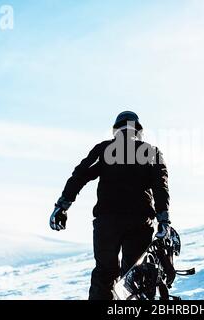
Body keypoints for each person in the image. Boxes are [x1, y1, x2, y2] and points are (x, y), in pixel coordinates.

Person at [49, 111, 171, 300]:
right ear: (138, 131)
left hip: (107, 223)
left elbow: (80, 175)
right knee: (136, 278)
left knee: (104, 274)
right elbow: (160, 187)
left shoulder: (104, 149)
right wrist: (163, 219)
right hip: (140, 222)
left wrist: (62, 206)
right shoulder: (151, 152)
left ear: (116, 130)